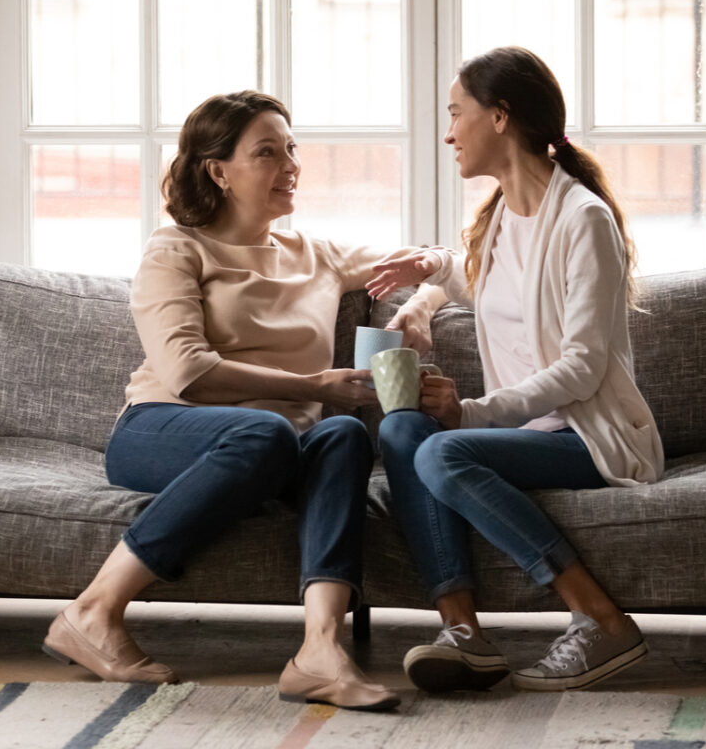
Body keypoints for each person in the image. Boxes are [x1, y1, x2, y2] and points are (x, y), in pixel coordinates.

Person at [42, 90, 426, 711]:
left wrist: (421, 303)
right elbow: (188, 373)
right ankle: (92, 610)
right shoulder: (176, 249)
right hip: (163, 429)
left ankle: (320, 652)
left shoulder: (316, 254)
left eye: (292, 148)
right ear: (218, 170)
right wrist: (313, 388)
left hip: (276, 447)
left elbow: (445, 261)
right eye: (268, 152)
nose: (291, 164)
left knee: (345, 435)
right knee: (271, 433)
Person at [364, 46, 665, 693]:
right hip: (533, 436)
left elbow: (582, 369)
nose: (448, 132)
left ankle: (600, 616)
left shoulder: (584, 219)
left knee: (442, 454)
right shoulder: (501, 215)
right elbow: (490, 288)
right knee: (400, 435)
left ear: (500, 117)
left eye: (456, 113)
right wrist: (427, 283)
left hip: (588, 438)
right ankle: (464, 634)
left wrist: (470, 413)